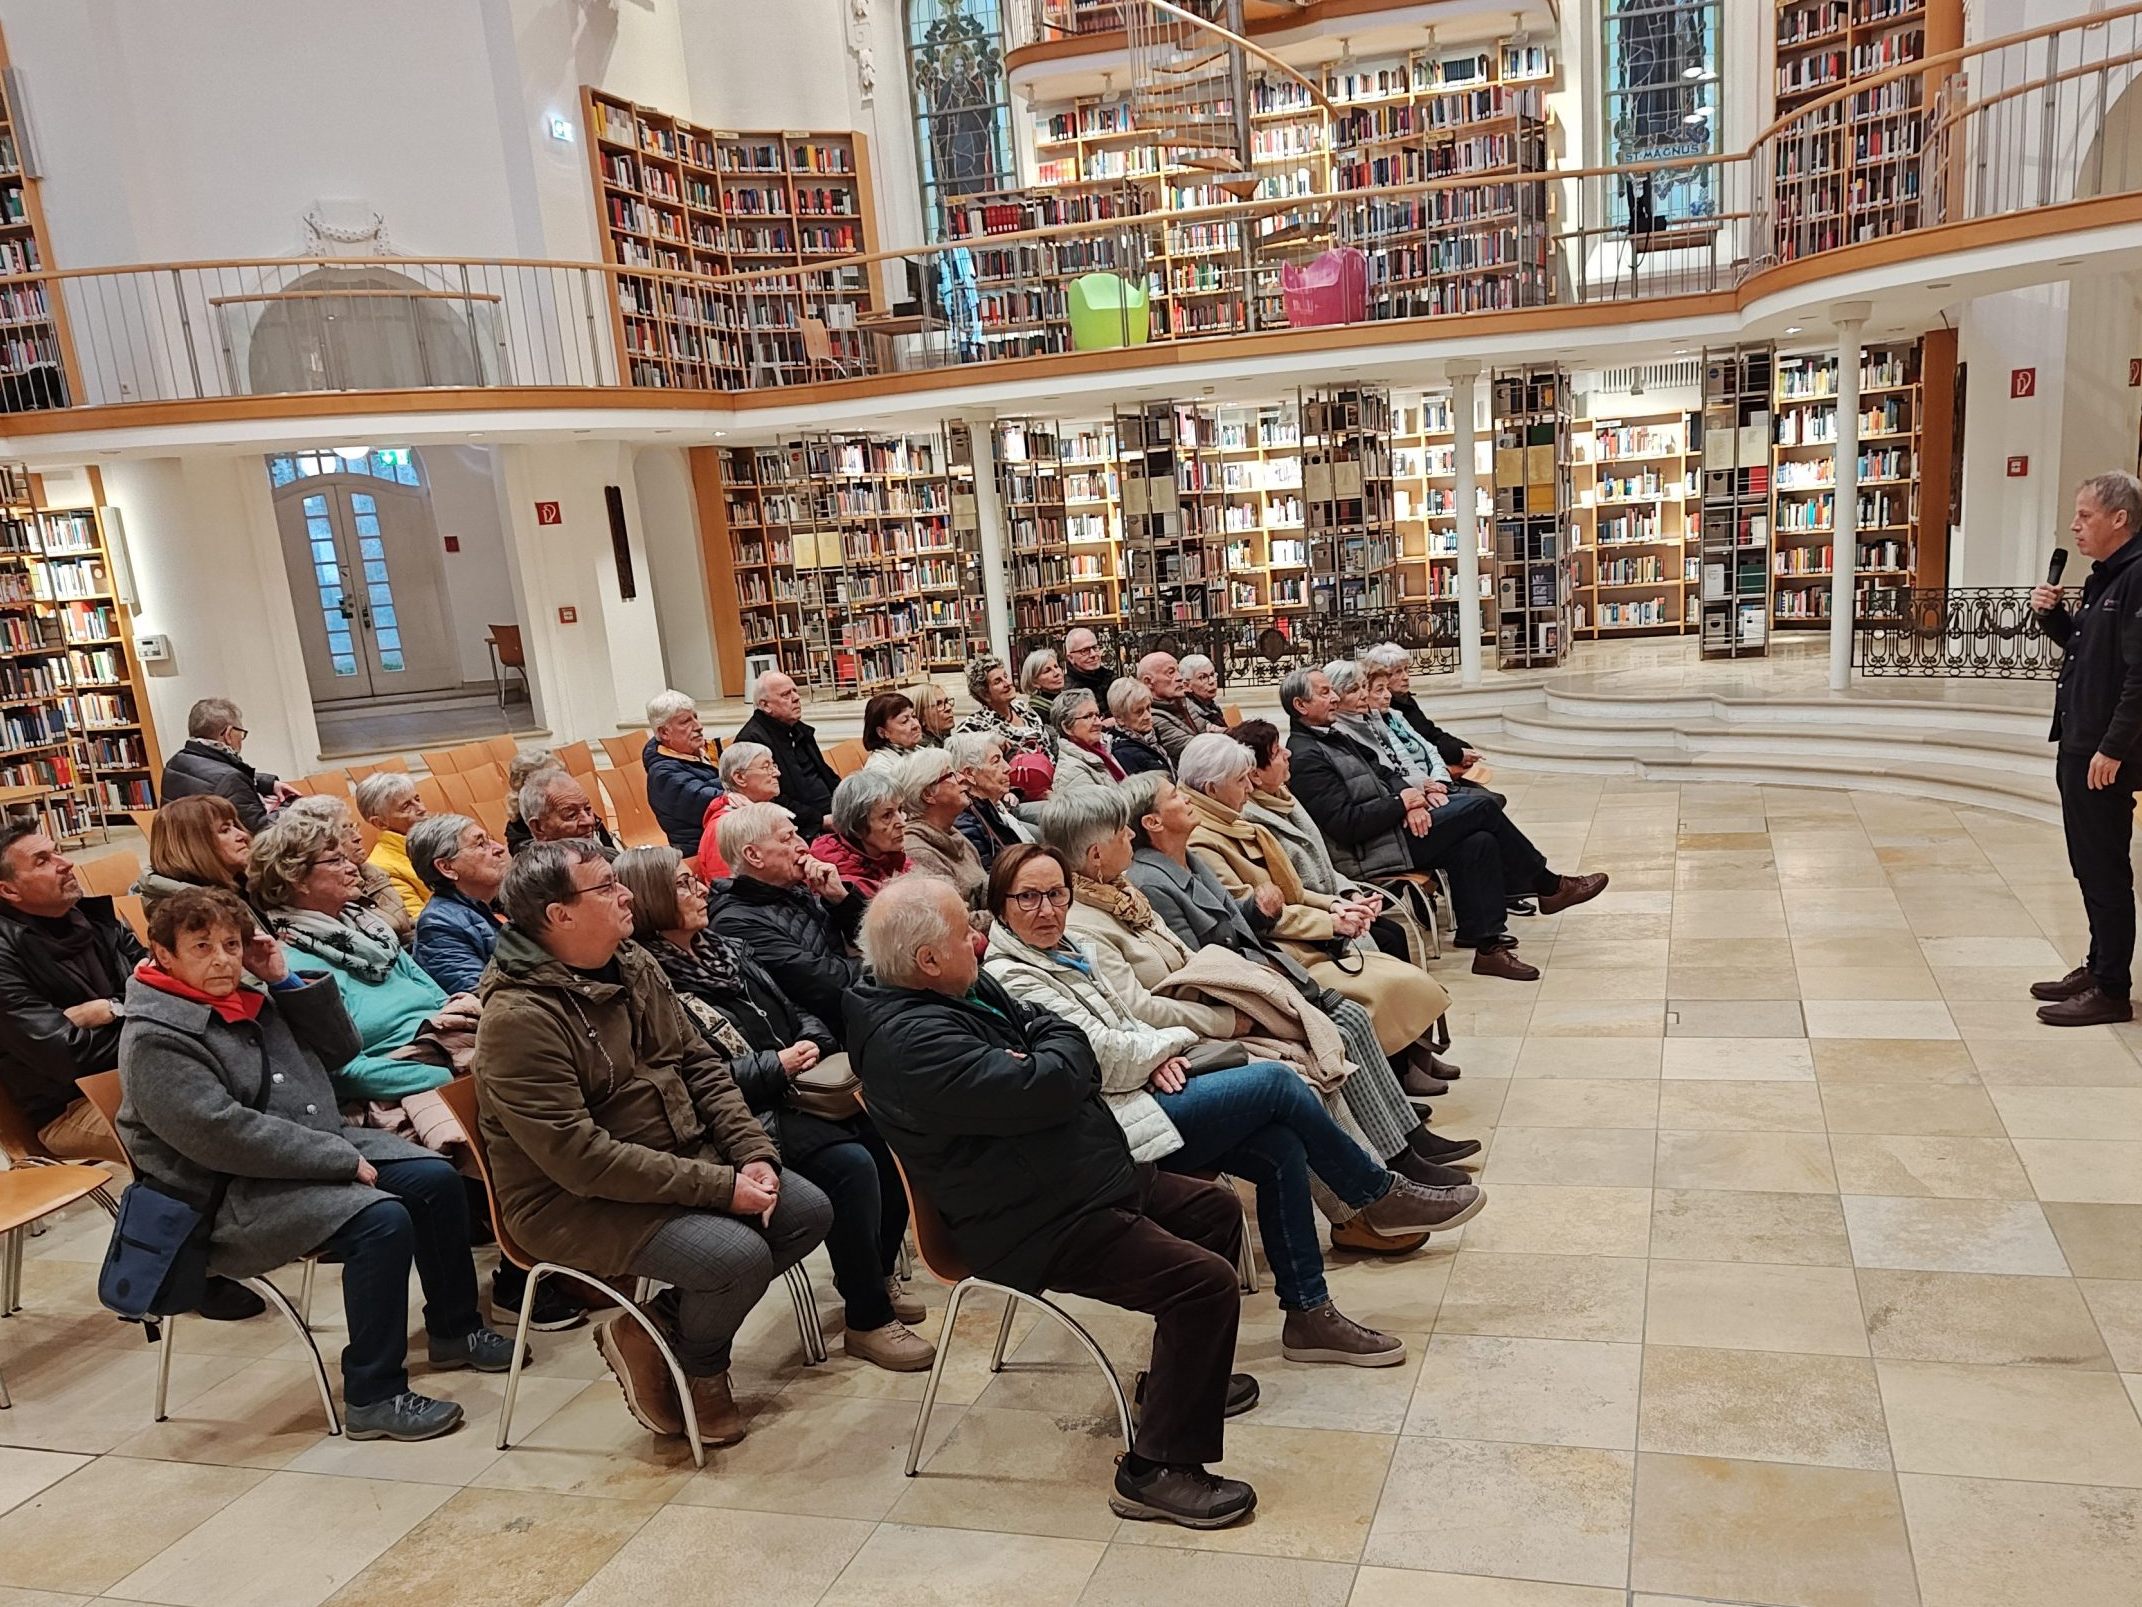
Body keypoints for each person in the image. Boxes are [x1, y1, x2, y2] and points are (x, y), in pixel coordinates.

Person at [847, 875, 1258, 1530]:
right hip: (1032, 1220)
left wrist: (1047, 1053)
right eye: (963, 932)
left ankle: (1172, 1387)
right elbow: (1054, 1077)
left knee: (1214, 1210)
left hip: (1070, 1176)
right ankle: (1156, 1470)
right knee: (1203, 1285)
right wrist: (1050, 1057)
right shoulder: (911, 1043)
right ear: (926, 959)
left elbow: (1053, 1033)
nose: (978, 937)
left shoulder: (959, 984)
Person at [984, 845, 1480, 1367]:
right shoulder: (1011, 974)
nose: (1046, 909)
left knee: (1280, 1146)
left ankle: (1310, 1316)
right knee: (1276, 1083)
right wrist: (1165, 1048)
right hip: (1107, 1126)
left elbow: (1126, 1028)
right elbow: (1096, 1055)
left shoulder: (1072, 944)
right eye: (1028, 898)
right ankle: (1376, 1194)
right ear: (1001, 906)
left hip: (1147, 1090)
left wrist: (1150, 1052)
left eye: (1056, 894)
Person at [118, 886, 519, 1441]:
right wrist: (337, 1158)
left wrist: (283, 978)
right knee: (380, 1221)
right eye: (202, 946)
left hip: (304, 1149)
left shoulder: (250, 993)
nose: (222, 959)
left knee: (434, 1180)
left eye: (232, 944)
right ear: (164, 954)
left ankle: (455, 1330)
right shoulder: (156, 1037)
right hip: (227, 1193)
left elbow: (340, 1049)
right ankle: (373, 1393)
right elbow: (220, 1135)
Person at [474, 840, 833, 1445]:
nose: (626, 896)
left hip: (675, 1156)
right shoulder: (518, 1019)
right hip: (573, 1200)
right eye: (606, 886)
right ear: (559, 915)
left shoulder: (632, 961)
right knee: (735, 1256)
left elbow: (700, 1065)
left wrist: (752, 1154)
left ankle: (650, 1330)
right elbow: (580, 1158)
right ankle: (703, 1370)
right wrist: (723, 1188)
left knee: (805, 1211)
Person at [616, 847, 932, 1372]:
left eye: (695, 881)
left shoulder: (725, 949)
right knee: (849, 1165)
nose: (701, 891)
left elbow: (795, 1008)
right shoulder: (653, 983)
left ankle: (873, 1275)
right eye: (682, 885)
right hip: (741, 1116)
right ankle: (867, 1318)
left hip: (795, 1087)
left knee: (885, 1134)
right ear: (651, 900)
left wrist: (808, 1042)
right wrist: (775, 1066)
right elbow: (692, 1082)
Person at [1116, 773, 1481, 1157]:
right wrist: (1268, 969)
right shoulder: (1153, 881)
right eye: (1174, 796)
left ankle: (1406, 1135)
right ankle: (1397, 1155)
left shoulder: (1187, 856)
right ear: (1152, 822)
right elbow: (1197, 965)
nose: (1185, 798)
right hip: (1241, 995)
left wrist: (1258, 910)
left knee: (1352, 1015)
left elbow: (1232, 920)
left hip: (1261, 973)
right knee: (1338, 1027)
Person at [1283, 667, 1605, 981]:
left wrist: (1410, 797)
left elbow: (1385, 773)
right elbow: (1345, 824)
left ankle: (1487, 945)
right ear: (1301, 705)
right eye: (1325, 693)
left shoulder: (1332, 737)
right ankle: (1549, 885)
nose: (1335, 698)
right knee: (1482, 806)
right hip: (1370, 851)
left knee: (1478, 841)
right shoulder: (1305, 757)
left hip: (1394, 831)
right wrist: (1400, 805)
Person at [1174, 733, 1454, 1080]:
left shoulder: (1235, 819)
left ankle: (1411, 1058)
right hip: (1280, 952)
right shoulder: (1205, 838)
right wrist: (1331, 922)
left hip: (1304, 928)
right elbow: (1252, 914)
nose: (1249, 788)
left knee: (1394, 950)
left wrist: (1338, 903)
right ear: (1212, 788)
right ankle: (1400, 1070)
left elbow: (1293, 886)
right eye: (1241, 780)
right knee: (1381, 982)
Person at [2032, 470, 2142, 1025]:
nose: (2074, 526)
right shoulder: (2107, 576)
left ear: (2119, 518)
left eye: (2085, 515)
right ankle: (2098, 964)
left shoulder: (2138, 577)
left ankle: (2112, 989)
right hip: (2082, 740)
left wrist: (2113, 748)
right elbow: (2090, 650)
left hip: (2103, 753)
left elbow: (2140, 676)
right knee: (2086, 862)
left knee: (2103, 867)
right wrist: (2054, 617)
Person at [711, 800, 865, 1037]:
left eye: (798, 835)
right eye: (788, 838)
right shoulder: (735, 922)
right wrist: (886, 968)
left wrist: (841, 900)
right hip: (832, 1031)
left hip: (860, 1006)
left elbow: (868, 939)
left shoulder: (794, 890)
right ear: (754, 855)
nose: (803, 845)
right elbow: (822, 983)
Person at [282, 795, 414, 943]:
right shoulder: (328, 892)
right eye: (344, 830)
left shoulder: (370, 871)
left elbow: (406, 925)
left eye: (353, 827)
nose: (358, 837)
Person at [158, 697, 297, 832]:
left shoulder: (176, 762)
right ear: (228, 734)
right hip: (218, 854)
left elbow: (210, 779)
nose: (241, 740)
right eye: (241, 733)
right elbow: (261, 831)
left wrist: (268, 783)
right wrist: (292, 807)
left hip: (185, 850)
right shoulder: (230, 778)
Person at [408, 812, 510, 994]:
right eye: (481, 844)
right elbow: (486, 996)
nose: (498, 848)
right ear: (447, 867)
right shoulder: (438, 926)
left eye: (490, 839)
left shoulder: (505, 898)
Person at [734, 670, 840, 840]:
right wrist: (821, 820)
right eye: (785, 695)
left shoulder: (799, 729)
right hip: (800, 829)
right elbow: (769, 798)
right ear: (766, 705)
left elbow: (825, 774)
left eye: (795, 691)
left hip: (832, 815)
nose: (796, 698)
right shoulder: (751, 741)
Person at [894, 748, 985, 905]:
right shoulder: (918, 852)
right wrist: (1011, 915)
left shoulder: (953, 835)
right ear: (928, 794)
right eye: (951, 775)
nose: (962, 778)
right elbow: (956, 918)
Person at [809, 767, 912, 902]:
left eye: (900, 810)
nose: (902, 822)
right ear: (857, 827)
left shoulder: (891, 855)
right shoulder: (845, 883)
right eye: (887, 816)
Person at [137, 794, 252, 912]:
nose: (243, 835)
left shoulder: (238, 882)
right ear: (193, 846)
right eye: (225, 830)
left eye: (235, 826)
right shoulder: (194, 914)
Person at [642, 690, 723, 854]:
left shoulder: (699, 752)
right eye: (686, 722)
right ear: (664, 732)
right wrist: (743, 783)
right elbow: (710, 802)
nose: (699, 727)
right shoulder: (663, 774)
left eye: (696, 717)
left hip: (723, 838)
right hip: (703, 850)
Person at [694, 741, 784, 882]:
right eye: (767, 767)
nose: (777, 773)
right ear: (740, 777)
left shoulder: (765, 811)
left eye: (774, 766)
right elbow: (728, 886)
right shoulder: (723, 828)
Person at [948, 730, 1033, 869]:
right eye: (996, 762)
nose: (1007, 768)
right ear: (969, 774)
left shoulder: (993, 807)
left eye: (1004, 759)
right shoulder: (967, 825)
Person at [354, 772, 430, 922]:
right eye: (406, 806)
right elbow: (422, 921)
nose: (421, 808)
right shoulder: (383, 868)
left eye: (417, 799)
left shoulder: (436, 838)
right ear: (380, 823)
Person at [957, 654, 1054, 758]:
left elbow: (1047, 745)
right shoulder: (975, 726)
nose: (1007, 683)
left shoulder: (1024, 708)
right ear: (985, 694)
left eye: (1006, 676)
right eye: (998, 681)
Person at [1137, 652, 1214, 762]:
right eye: (1171, 673)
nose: (1179, 678)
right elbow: (1195, 749)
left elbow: (1207, 728)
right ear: (1148, 682)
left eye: (1178, 671)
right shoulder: (1151, 717)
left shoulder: (1182, 701)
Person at [519, 769, 618, 853]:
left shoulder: (600, 850)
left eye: (587, 809)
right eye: (571, 815)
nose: (589, 821)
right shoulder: (539, 874)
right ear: (539, 828)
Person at [1049, 689, 1125, 791]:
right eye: (1088, 716)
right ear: (1067, 727)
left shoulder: (1107, 746)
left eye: (1097, 715)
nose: (1098, 722)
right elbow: (1107, 806)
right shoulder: (1071, 772)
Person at [1108, 678, 1175, 777]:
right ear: (1120, 718)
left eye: (1148, 708)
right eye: (1139, 712)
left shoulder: (1149, 738)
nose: (1148, 716)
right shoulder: (1123, 753)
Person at [1062, 626, 1120, 704]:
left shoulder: (1110, 678)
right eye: (1084, 651)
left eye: (1095, 647)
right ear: (1071, 658)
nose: (1093, 654)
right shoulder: (1069, 693)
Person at [861, 691, 926, 761]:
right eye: (904, 721)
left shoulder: (920, 751)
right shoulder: (880, 766)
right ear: (882, 732)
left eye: (914, 716)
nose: (916, 725)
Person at [1019, 647, 1068, 722]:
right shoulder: (1036, 714)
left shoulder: (1069, 700)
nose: (1057, 673)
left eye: (1056, 666)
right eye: (1047, 671)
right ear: (1034, 682)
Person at [1179, 655, 1226, 729]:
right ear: (1186, 685)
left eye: (1212, 674)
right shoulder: (1191, 713)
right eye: (1202, 677)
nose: (1212, 681)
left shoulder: (1209, 705)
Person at [908, 681, 957, 747]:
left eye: (946, 701)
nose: (948, 708)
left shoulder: (946, 741)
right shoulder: (926, 752)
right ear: (922, 716)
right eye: (938, 704)